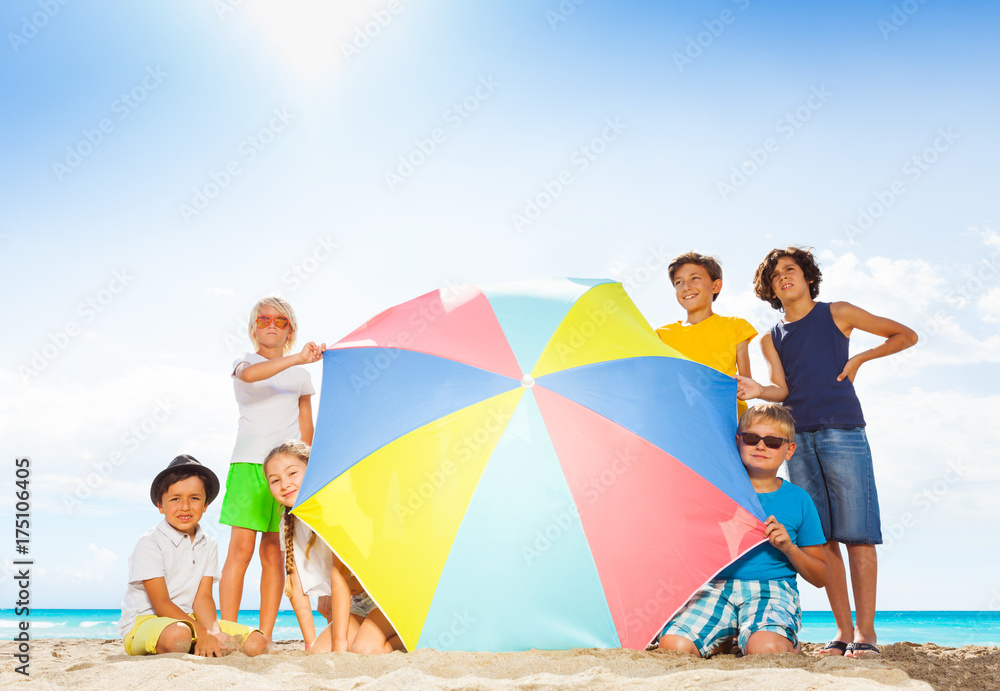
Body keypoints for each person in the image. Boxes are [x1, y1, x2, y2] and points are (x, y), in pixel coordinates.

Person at [737, 247, 918, 658]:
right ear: (769, 290)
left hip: (842, 431)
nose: (784, 278)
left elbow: (905, 335)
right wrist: (756, 390)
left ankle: (866, 634)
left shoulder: (838, 312)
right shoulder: (769, 338)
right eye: (775, 276)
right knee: (825, 538)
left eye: (791, 270)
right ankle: (841, 632)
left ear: (806, 277)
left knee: (858, 533)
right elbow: (780, 390)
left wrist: (859, 359)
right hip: (796, 439)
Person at [658, 404, 828, 656]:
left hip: (772, 589)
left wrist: (789, 549)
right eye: (751, 438)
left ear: (789, 450)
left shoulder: (799, 500)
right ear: (738, 441)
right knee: (675, 647)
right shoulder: (714, 493)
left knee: (766, 649)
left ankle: (780, 639)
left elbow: (820, 577)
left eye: (772, 441)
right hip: (715, 587)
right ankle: (724, 638)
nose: (760, 446)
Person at [219, 296, 325, 642]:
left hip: (285, 472)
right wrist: (298, 358)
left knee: (274, 551)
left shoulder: (301, 376)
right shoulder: (244, 362)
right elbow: (251, 376)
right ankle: (228, 630)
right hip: (249, 464)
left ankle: (264, 633)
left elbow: (305, 428)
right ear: (253, 327)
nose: (271, 325)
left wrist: (308, 470)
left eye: (280, 321)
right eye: (264, 319)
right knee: (241, 549)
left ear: (290, 330)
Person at [118, 455, 268, 657]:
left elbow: (203, 597)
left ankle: (200, 644)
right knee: (180, 635)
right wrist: (202, 632)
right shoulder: (150, 543)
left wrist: (213, 632)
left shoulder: (209, 544)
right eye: (175, 499)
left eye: (194, 498)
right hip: (147, 622)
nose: (185, 506)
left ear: (206, 505)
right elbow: (160, 601)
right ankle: (195, 642)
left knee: (257, 643)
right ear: (160, 505)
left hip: (193, 619)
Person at [263, 440, 402, 654]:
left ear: (312, 470)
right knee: (319, 652)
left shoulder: (334, 507)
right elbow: (296, 590)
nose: (284, 484)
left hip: (386, 597)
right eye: (275, 480)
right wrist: (310, 644)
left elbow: (339, 576)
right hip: (358, 604)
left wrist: (339, 644)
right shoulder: (288, 522)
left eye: (292, 473)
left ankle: (408, 642)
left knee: (363, 650)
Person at [656, 252, 757, 418]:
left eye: (694, 278)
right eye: (678, 282)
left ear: (716, 286)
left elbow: (745, 384)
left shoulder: (735, 326)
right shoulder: (662, 335)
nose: (686, 286)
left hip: (725, 420)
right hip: (681, 418)